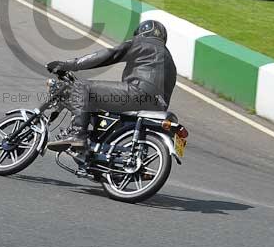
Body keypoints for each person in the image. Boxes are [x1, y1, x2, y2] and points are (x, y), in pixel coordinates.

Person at [45, 20, 177, 151]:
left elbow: (109, 54)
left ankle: (77, 133)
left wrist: (71, 65)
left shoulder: (142, 43)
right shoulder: (170, 61)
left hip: (136, 94)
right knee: (101, 109)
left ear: (141, 33)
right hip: (157, 107)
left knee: (82, 86)